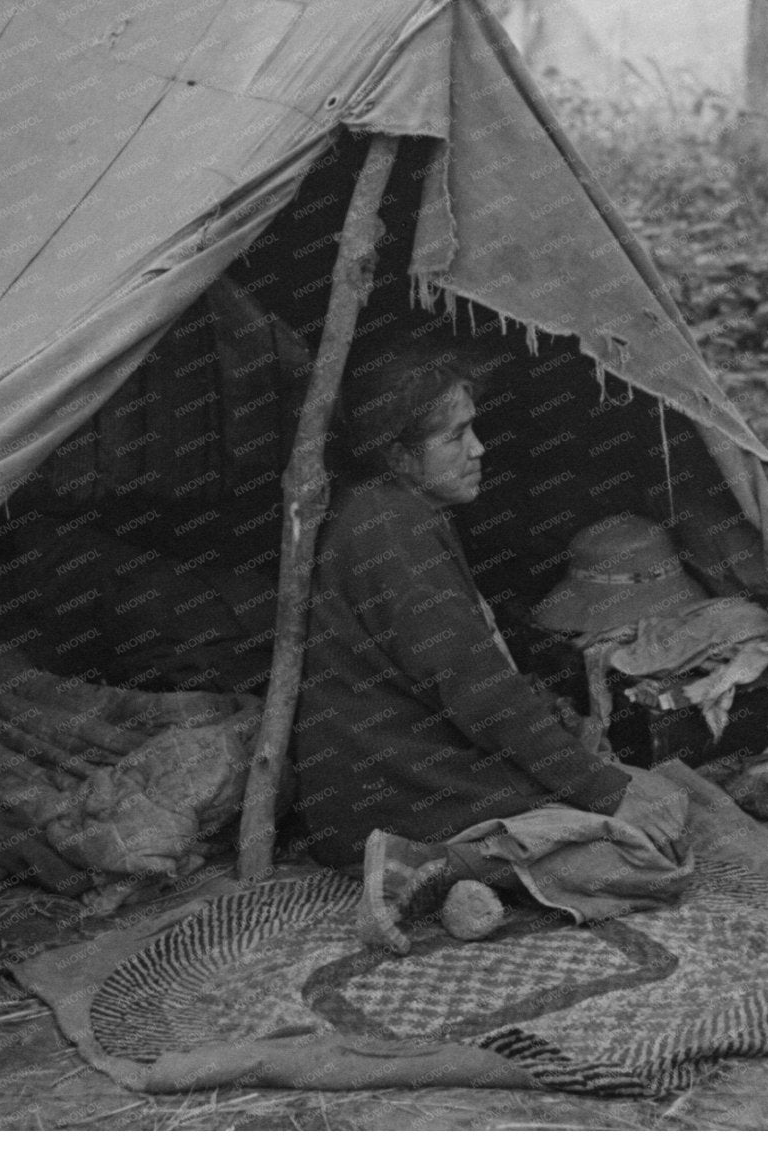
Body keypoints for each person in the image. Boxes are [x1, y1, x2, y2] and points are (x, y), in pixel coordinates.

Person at [291, 339, 693, 954]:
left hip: (391, 774)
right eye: (455, 437)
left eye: (472, 430)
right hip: (396, 784)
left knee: (655, 800)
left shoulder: (395, 512)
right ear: (397, 455)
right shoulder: (390, 532)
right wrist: (602, 788)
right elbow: (479, 691)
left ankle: (458, 872)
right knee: (645, 853)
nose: (478, 449)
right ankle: (433, 865)